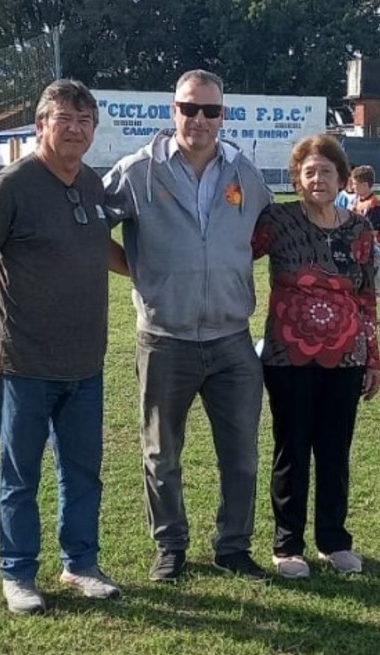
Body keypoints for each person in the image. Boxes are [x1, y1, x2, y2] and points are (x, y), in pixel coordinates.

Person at [0, 79, 121, 615]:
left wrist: (162, 270)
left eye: (84, 120)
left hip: (85, 362)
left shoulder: (93, 184)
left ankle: (80, 565)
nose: (75, 129)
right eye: (64, 119)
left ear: (93, 129)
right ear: (41, 126)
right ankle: (18, 573)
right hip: (23, 362)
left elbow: (103, 248)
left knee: (83, 471)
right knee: (20, 473)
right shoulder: (13, 186)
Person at [103, 69, 272, 582]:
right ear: (172, 110)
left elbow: (267, 232)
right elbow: (89, 229)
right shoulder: (136, 171)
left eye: (210, 110)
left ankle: (233, 547)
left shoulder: (245, 173)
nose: (199, 119)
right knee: (162, 453)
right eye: (188, 108)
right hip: (165, 339)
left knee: (241, 455)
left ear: (224, 115)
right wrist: (140, 270)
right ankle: (170, 546)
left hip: (232, 341)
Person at [250, 135, 380, 579]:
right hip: (288, 355)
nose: (318, 179)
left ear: (343, 178)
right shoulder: (278, 220)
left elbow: (367, 297)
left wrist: (373, 358)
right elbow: (232, 255)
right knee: (292, 449)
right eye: (309, 171)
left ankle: (334, 540)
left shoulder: (360, 229)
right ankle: (288, 545)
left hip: (346, 357)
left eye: (326, 171)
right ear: (296, 179)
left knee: (333, 450)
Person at [348, 165, 380, 234]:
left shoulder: (373, 203)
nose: (352, 187)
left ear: (365, 185)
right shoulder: (355, 201)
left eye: (355, 184)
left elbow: (374, 229)